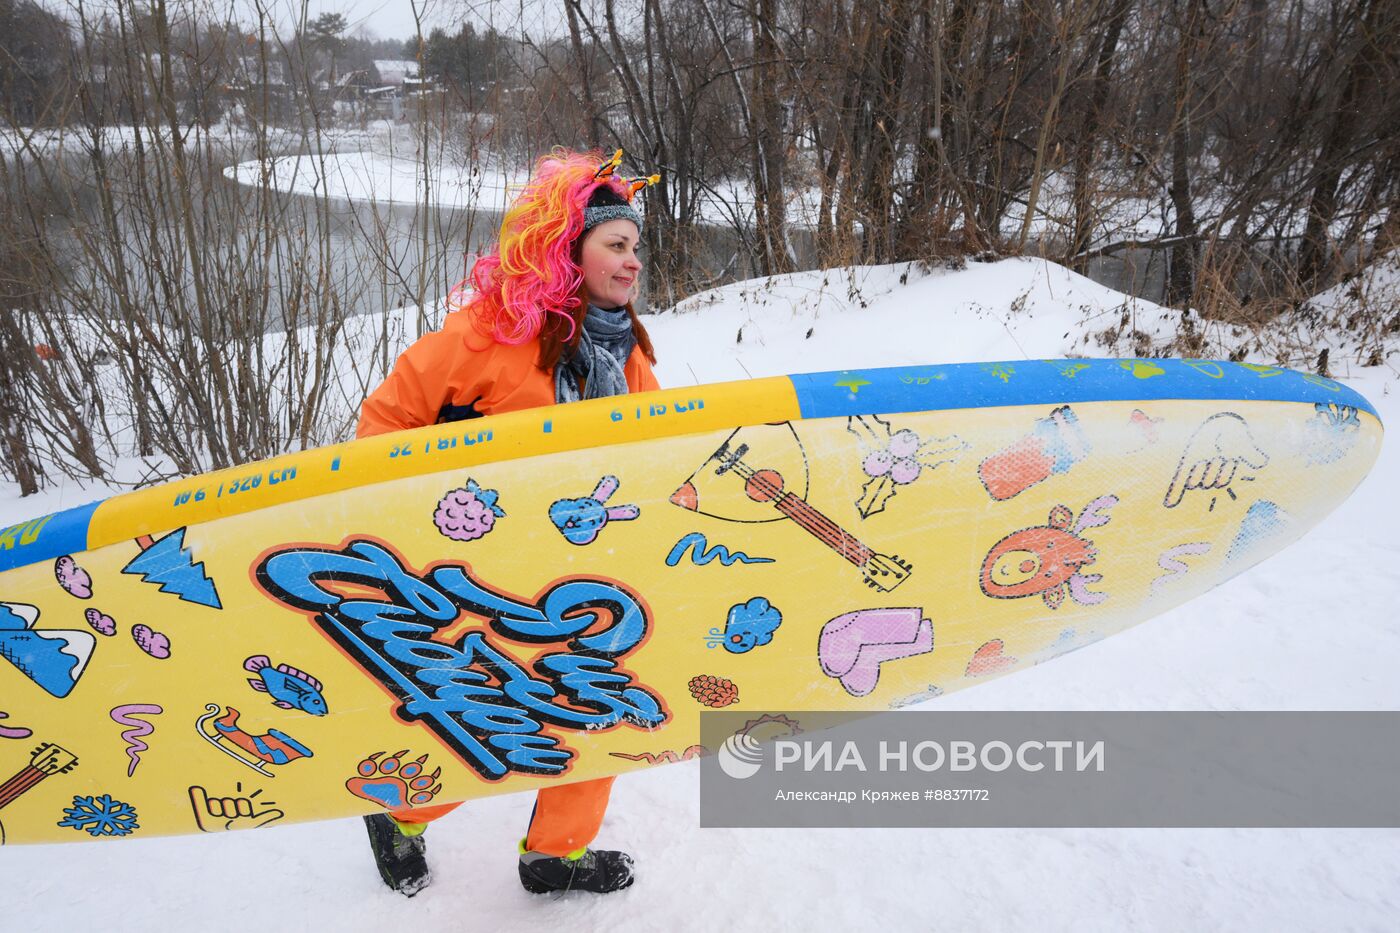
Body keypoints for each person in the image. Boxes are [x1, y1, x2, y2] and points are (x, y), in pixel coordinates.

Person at [354, 148, 661, 897]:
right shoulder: (486, 338)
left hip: (589, 574)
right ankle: (401, 813)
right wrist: (434, 500)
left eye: (635, 246)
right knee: (491, 712)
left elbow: (655, 451)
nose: (633, 262)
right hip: (481, 580)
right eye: (616, 244)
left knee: (598, 707)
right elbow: (381, 427)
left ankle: (556, 853)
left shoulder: (626, 353)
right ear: (567, 251)